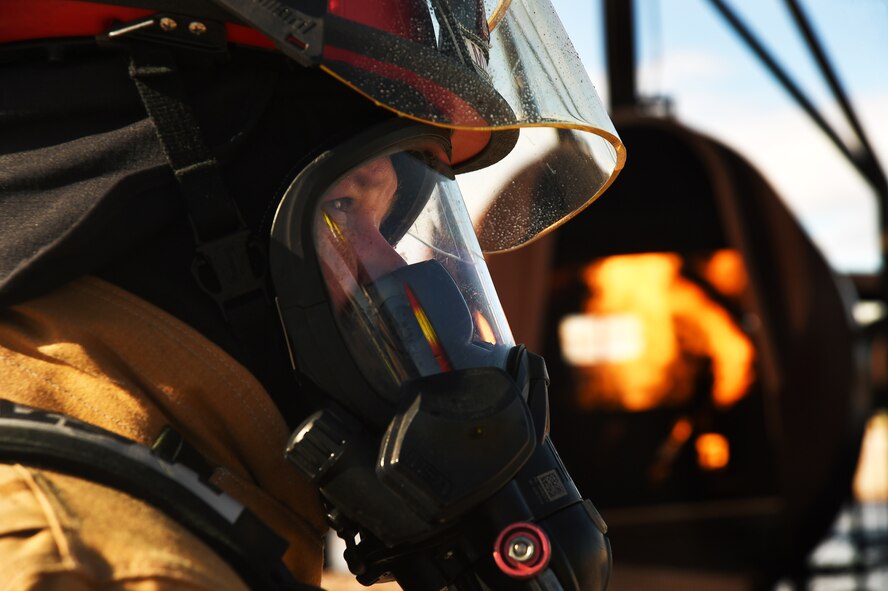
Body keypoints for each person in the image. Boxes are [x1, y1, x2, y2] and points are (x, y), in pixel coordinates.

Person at [0, 1, 625, 590]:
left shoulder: (191, 501)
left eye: (390, 222)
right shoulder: (101, 566)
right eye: (344, 207)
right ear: (181, 204)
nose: (389, 269)